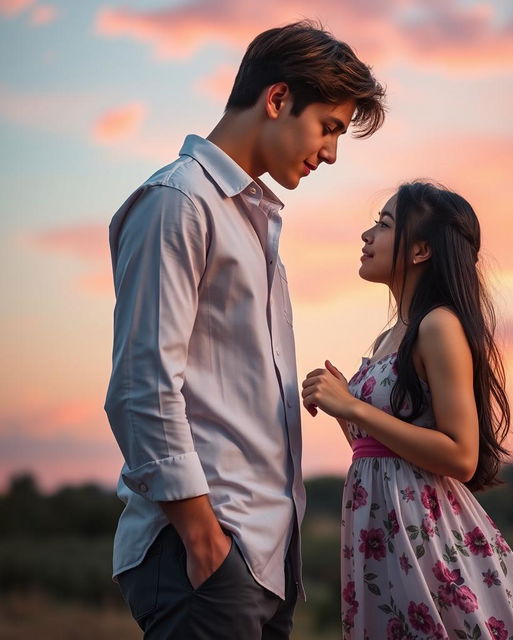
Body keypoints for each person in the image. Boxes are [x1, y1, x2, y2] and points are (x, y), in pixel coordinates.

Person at [104, 20, 385, 639]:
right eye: (330, 127)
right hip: (204, 556)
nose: (332, 152)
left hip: (260, 561)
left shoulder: (252, 223)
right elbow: (141, 386)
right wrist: (205, 541)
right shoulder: (179, 202)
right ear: (278, 99)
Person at [302, 181, 513, 639]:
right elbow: (387, 448)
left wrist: (354, 408)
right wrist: (345, 411)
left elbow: (460, 455)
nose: (367, 236)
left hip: (422, 531)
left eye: (384, 225)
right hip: (383, 525)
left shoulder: (438, 325)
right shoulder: (394, 335)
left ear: (421, 250)